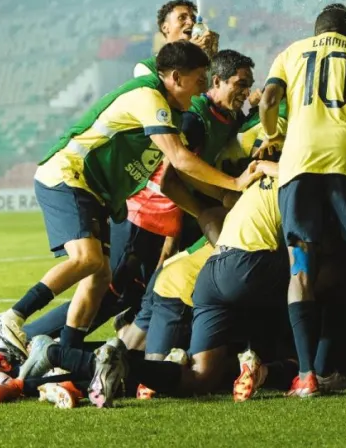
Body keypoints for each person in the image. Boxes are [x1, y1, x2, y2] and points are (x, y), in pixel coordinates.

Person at [0, 41, 261, 360]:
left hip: (96, 192)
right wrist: (235, 182)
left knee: (100, 277)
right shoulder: (150, 98)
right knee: (88, 261)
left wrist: (228, 196)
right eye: (200, 78)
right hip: (69, 175)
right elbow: (180, 159)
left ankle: (69, 354)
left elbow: (182, 176)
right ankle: (11, 319)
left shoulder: (171, 110)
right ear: (176, 77)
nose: (202, 87)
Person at [256, 7, 346, 397]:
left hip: (298, 167)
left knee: (300, 270)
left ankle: (306, 376)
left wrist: (271, 133)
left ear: (316, 31)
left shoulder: (291, 52)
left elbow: (268, 98)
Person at [87, 166, 292, 407]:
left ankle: (60, 366)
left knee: (139, 359)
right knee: (153, 378)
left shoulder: (234, 211)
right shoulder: (248, 216)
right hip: (183, 290)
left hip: (167, 280)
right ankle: (65, 368)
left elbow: (179, 189)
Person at [134, 0, 219, 78]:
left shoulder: (202, 63)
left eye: (193, 18)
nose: (191, 22)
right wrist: (187, 52)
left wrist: (212, 55)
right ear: (165, 28)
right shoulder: (147, 68)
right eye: (182, 18)